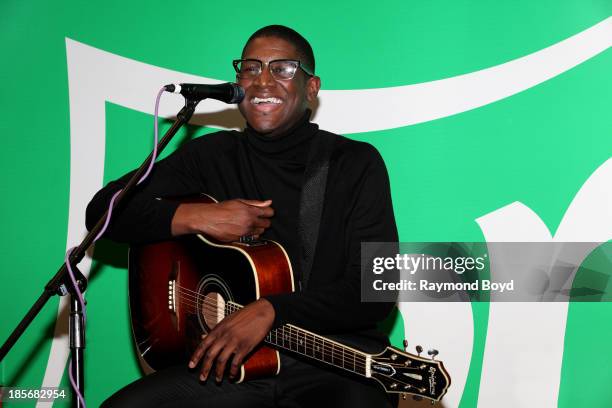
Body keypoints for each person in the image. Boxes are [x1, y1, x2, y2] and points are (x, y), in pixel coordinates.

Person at [88, 25, 398, 407]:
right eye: (250, 69)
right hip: (233, 368)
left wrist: (271, 310)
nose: (262, 81)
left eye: (282, 69)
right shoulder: (211, 155)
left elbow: (376, 293)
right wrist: (197, 217)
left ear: (311, 88)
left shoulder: (354, 163)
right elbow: (101, 213)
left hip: (333, 363)